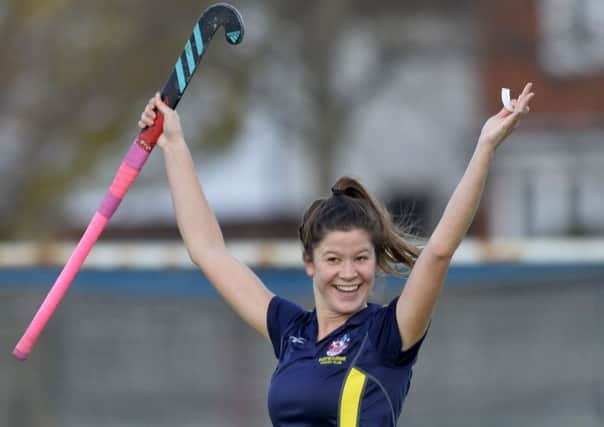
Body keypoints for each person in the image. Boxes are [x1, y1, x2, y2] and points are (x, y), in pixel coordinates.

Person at [138, 82, 535, 426]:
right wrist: (173, 144)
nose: (349, 272)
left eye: (360, 258)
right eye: (333, 259)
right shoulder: (292, 333)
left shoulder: (386, 336)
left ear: (376, 261)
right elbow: (208, 251)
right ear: (310, 263)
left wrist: (484, 148)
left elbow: (438, 253)